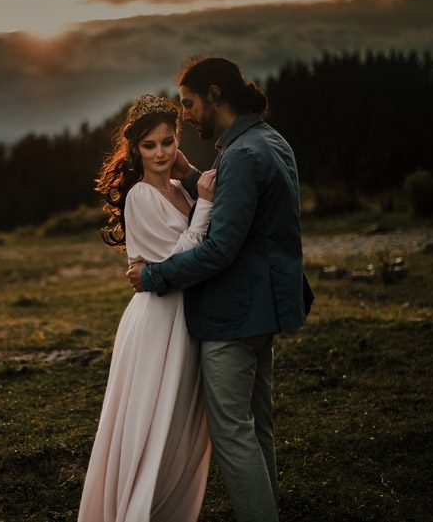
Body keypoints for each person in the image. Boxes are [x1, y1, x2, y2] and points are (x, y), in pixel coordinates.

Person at [127, 57, 309, 522]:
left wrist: (153, 276)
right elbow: (239, 208)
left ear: (213, 95)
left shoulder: (243, 153)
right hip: (264, 308)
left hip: (235, 313)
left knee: (231, 432)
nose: (183, 115)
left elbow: (222, 248)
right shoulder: (266, 141)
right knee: (257, 425)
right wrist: (190, 177)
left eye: (188, 104)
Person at [78, 94, 218, 522]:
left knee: (176, 423)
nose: (161, 153)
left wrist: (196, 189)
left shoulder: (179, 188)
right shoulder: (139, 196)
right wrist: (208, 203)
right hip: (158, 321)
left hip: (184, 319)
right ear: (135, 150)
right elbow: (179, 259)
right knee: (149, 421)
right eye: (150, 146)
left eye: (168, 142)